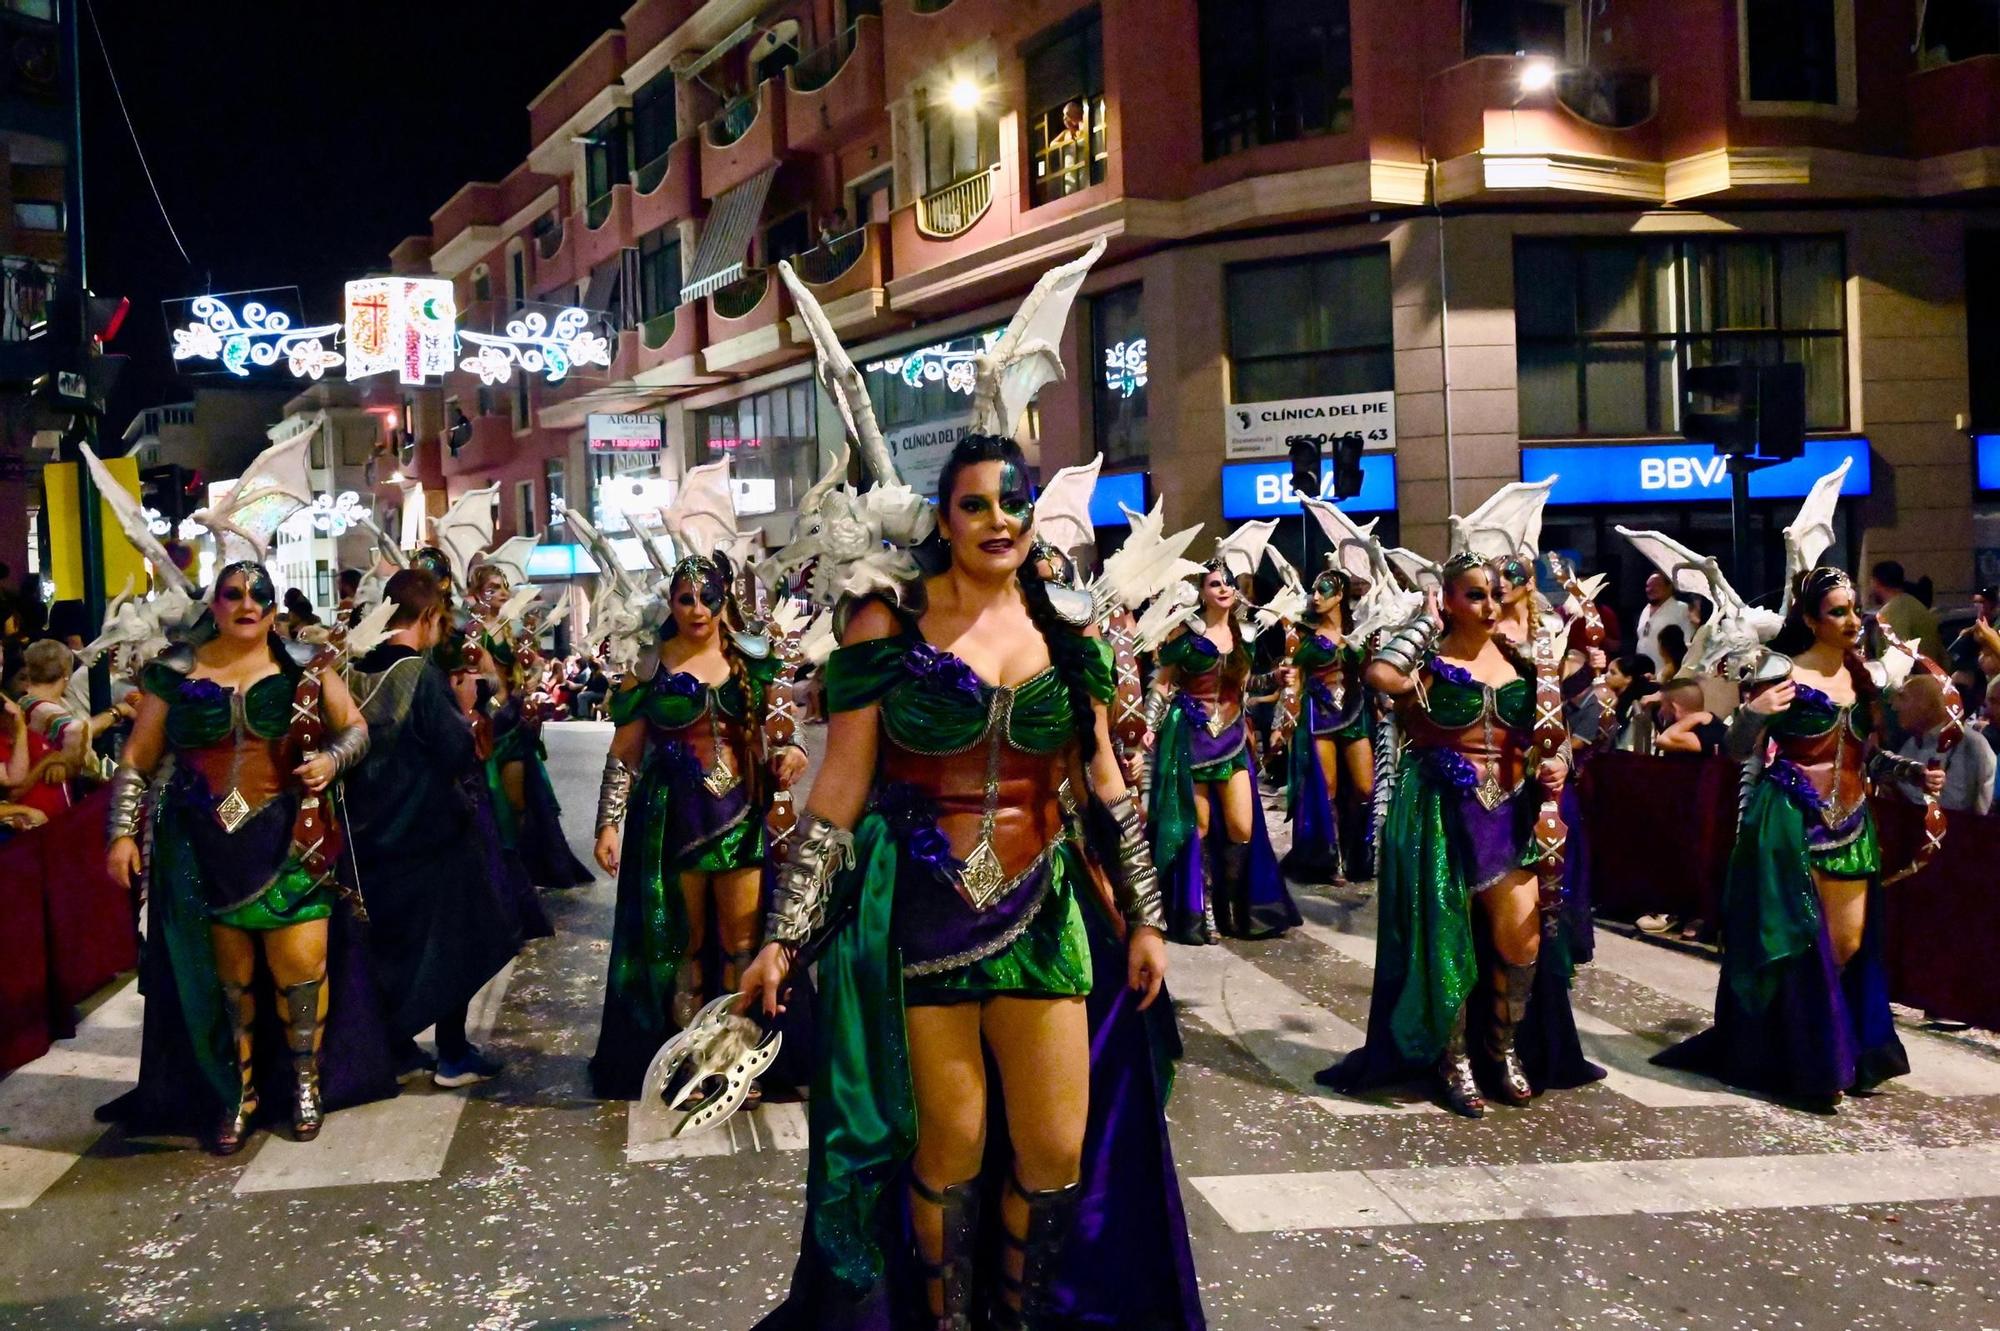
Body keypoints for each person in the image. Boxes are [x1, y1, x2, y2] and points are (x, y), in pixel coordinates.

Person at [739, 433, 1200, 1330]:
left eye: (1013, 502)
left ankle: (1018, 1319)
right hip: (922, 920)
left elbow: (1103, 783)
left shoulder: (1068, 626)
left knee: (1055, 1151)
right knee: (949, 1151)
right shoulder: (886, 621)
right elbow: (840, 789)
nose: (999, 520)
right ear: (943, 520)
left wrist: (1146, 917)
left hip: (1043, 912)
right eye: (975, 504)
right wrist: (783, 936)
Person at [98, 562, 393, 1153]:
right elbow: (137, 757)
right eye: (233, 594)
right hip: (202, 851)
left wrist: (331, 760)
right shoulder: (174, 672)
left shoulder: (306, 665)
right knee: (227, 986)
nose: (247, 604)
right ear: (215, 603)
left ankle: (306, 1085)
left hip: (293, 840)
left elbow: (356, 729)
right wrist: (121, 834)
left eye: (259, 595)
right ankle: (239, 1093)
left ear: (273, 607)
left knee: (301, 972)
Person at [1317, 554, 1603, 1116]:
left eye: (1495, 593)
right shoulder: (1424, 665)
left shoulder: (1524, 664)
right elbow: (1381, 677)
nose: (1491, 605)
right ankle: (1455, 1062)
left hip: (1510, 817)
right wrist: (1426, 620)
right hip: (1440, 818)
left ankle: (1502, 1048)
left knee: (1522, 942)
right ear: (1448, 600)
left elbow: (1556, 737)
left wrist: (1557, 763)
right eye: (1474, 595)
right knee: (1447, 944)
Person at [1653, 567, 1943, 1111]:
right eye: (1838, 612)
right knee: (1800, 941)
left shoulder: (1863, 678)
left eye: (1854, 610)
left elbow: (1864, 757)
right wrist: (1750, 714)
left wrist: (1910, 773)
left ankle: (1821, 1048)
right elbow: (1736, 750)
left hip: (1851, 821)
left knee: (1847, 945)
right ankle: (1816, 1063)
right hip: (1787, 823)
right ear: (1810, 620)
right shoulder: (1780, 673)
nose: (1852, 621)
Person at [588, 553, 806, 1099]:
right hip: (672, 824)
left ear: (724, 599)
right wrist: (608, 824)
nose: (698, 609)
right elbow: (624, 753)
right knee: (683, 947)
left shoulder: (752, 658)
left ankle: (732, 1058)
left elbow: (784, 726)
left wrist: (794, 751)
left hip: (741, 819)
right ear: (671, 603)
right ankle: (691, 1057)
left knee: (742, 945)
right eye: (686, 599)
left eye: (709, 598)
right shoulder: (648, 665)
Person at [344, 568, 521, 1087]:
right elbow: (456, 750)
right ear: (426, 616)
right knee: (459, 941)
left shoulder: (355, 671)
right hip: (430, 830)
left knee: (392, 946)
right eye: (440, 620)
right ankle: (453, 1053)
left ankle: (396, 1047)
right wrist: (471, 707)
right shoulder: (419, 675)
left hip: (369, 833)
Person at [1143, 559, 1301, 943]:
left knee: (1242, 827)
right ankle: (1207, 911)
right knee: (1198, 827)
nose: (1224, 588)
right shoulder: (1186, 637)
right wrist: (1148, 724)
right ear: (1203, 592)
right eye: (1215, 583)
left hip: (1231, 737)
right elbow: (1162, 684)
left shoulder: (1244, 637)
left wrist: (1276, 677)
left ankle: (1233, 906)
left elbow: (1246, 686)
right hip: (1191, 738)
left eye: (1228, 582)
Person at [1283, 562, 1374, 884]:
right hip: (1319, 714)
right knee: (1327, 788)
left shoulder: (1360, 630)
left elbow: (1370, 672)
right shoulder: (1303, 634)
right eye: (1314, 591)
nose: (1316, 597)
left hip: (1354, 711)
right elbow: (1292, 679)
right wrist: (1287, 716)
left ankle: (1358, 852)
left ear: (1339, 596)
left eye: (1323, 591)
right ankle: (1330, 859)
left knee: (1365, 787)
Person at [1891, 673, 1995, 815]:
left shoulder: (1972, 746)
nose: (1895, 706)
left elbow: (1972, 810)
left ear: (1926, 705)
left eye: (1903, 697)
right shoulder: (1910, 745)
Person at [1869, 560, 1946, 663]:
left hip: (1914, 673)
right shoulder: (1914, 605)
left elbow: (1898, 659)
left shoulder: (1891, 611)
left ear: (1876, 582)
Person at [1649, 677, 1728, 757]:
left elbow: (1663, 740)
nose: (1661, 711)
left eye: (1662, 704)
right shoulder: (1709, 723)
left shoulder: (1705, 733)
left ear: (1674, 707)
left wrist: (1695, 717)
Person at [1633, 573, 1692, 679]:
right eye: (1648, 586)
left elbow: (1687, 644)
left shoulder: (1681, 609)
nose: (1650, 589)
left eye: (1656, 585)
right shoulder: (1646, 609)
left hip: (1668, 676)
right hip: (1644, 674)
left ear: (1669, 587)